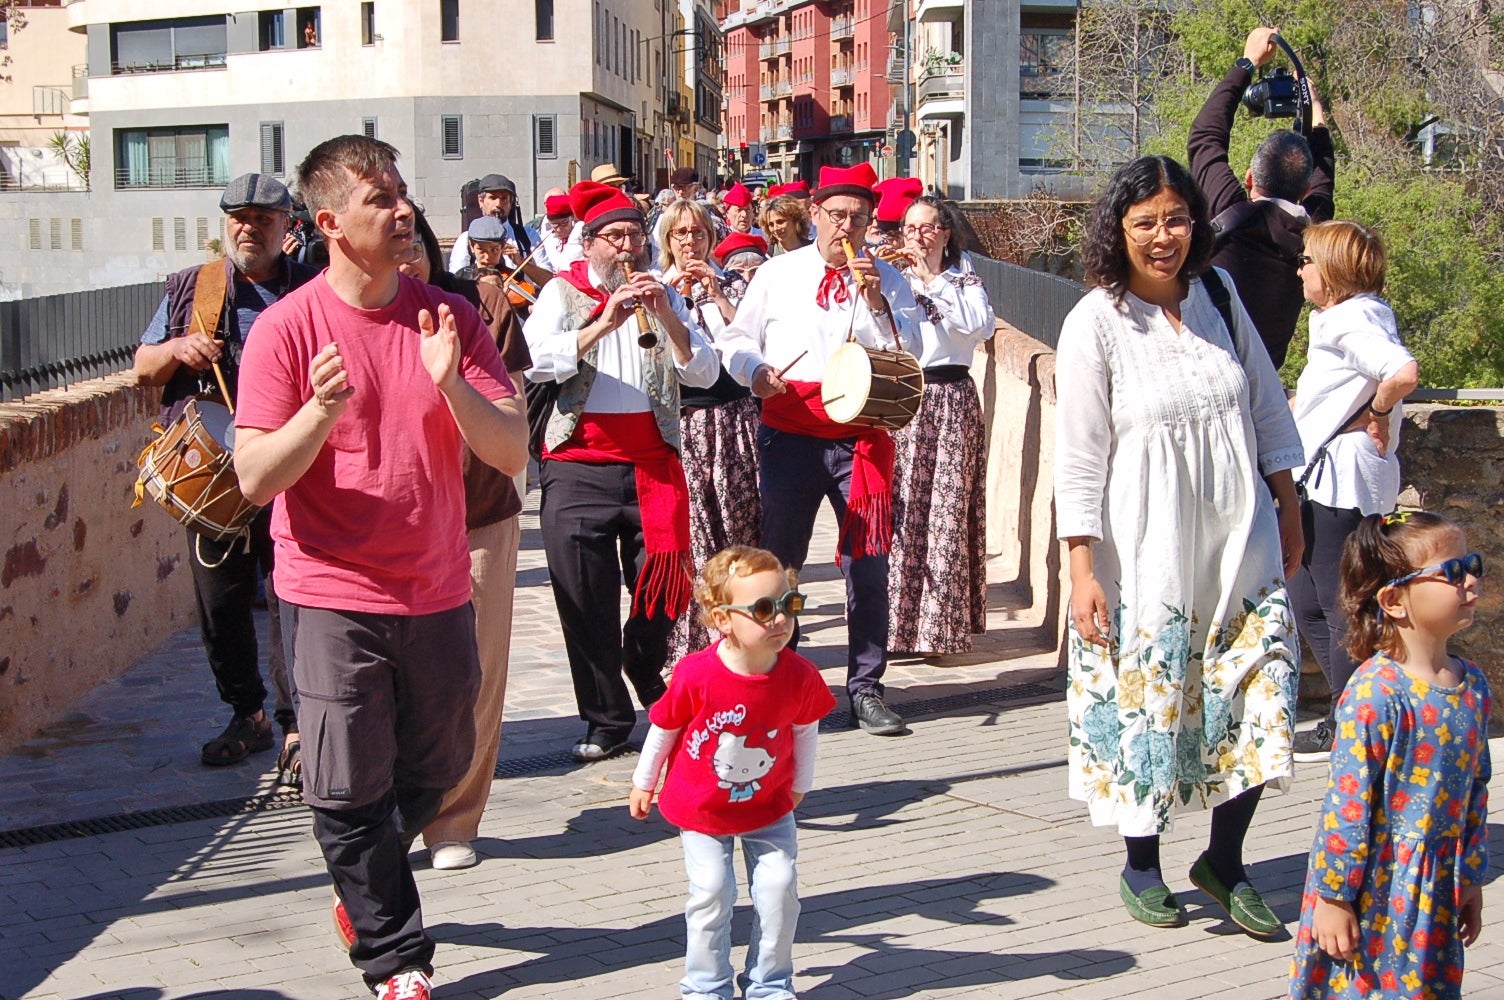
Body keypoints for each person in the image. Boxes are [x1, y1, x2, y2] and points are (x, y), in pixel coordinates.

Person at [232, 135, 529, 1000]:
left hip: (434, 584)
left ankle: (363, 888)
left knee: (440, 764)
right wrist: (318, 414)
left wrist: (453, 384)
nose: (404, 211)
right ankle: (397, 957)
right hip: (329, 591)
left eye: (402, 194)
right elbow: (255, 479)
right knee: (345, 785)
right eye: (380, 199)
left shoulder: (450, 317)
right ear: (329, 222)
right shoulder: (287, 330)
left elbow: (511, 451)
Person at [1054, 154, 1305, 936]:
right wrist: (1081, 568)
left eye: (1176, 219)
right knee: (1154, 698)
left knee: (1261, 689)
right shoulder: (1095, 321)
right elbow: (1079, 455)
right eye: (1145, 223)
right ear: (1118, 229)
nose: (1163, 237)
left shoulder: (1219, 294)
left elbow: (1266, 404)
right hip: (1148, 547)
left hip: (1241, 539)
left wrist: (1289, 502)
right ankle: (1143, 864)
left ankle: (1225, 861)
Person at [719, 162, 924, 737]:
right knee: (781, 565)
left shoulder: (888, 279)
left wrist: (877, 301)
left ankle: (866, 688)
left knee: (868, 566)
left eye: (858, 218)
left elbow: (913, 351)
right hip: (790, 433)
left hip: (861, 439)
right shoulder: (777, 274)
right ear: (814, 214)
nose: (846, 228)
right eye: (836, 215)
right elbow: (736, 338)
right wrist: (755, 372)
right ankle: (779, 680)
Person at [523, 180, 720, 762]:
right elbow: (534, 362)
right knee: (584, 600)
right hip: (577, 466)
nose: (627, 247)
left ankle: (640, 656)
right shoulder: (561, 293)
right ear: (590, 244)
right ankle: (606, 718)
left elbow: (705, 373)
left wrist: (669, 318)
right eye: (614, 237)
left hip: (652, 466)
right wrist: (602, 323)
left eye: (634, 235)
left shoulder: (665, 294)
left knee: (666, 589)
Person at [132, 172, 318, 774]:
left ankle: (297, 721)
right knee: (221, 602)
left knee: (292, 596)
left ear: (286, 226)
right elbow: (143, 367)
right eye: (239, 218)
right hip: (217, 471)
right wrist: (176, 349)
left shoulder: (312, 287)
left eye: (263, 219)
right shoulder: (195, 286)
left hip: (291, 464)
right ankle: (248, 714)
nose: (249, 228)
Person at [1288, 510, 1489, 999]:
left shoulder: (1472, 685)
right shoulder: (1377, 692)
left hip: (1435, 888)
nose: (1469, 580)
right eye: (1451, 571)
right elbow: (1347, 803)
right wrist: (1334, 897)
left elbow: (1476, 789)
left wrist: (1469, 876)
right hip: (1376, 888)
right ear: (1394, 600)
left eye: (1472, 565)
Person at [629, 546, 836, 1000]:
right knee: (712, 892)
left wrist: (801, 785)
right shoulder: (695, 674)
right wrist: (645, 780)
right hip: (702, 808)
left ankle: (769, 983)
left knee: (780, 889)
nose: (779, 619)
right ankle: (706, 986)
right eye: (763, 609)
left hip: (770, 805)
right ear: (723, 619)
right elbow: (665, 727)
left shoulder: (800, 675)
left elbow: (806, 730)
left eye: (788, 604)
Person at [402, 207, 533, 873]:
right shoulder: (333, 315)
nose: (402, 257)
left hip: (478, 513)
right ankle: (390, 815)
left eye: (411, 241)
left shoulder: (481, 306)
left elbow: (511, 410)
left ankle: (454, 820)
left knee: (475, 670)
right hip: (388, 523)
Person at [1287, 221, 1419, 764]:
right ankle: (1359, 708)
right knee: (1305, 600)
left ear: (1333, 269)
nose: (1300, 270)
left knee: (1340, 605)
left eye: (1307, 261)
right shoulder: (1348, 316)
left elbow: (1402, 372)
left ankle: (1353, 721)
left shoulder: (1351, 319)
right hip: (1330, 478)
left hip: (1342, 483)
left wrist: (1380, 410)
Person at [1189, 25, 1335, 368]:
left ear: (1250, 178)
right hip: (1264, 381)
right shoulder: (1312, 236)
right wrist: (1314, 107)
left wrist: (1247, 63)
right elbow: (1324, 177)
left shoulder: (1228, 209)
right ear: (1304, 191)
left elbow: (1205, 136)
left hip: (1209, 368)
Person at [888, 195, 996, 656]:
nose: (918, 237)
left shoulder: (962, 278)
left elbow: (980, 326)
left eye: (928, 228)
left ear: (945, 234)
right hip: (906, 396)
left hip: (951, 398)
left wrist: (933, 281)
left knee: (947, 513)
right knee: (903, 511)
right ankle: (897, 628)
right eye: (910, 229)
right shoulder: (893, 278)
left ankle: (940, 630)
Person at [657, 199, 762, 659]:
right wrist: (670, 300)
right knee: (694, 532)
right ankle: (699, 639)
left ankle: (747, 628)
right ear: (667, 240)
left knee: (742, 525)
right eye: (680, 233)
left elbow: (753, 338)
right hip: (686, 422)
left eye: (698, 233)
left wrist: (717, 293)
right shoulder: (657, 288)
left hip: (735, 417)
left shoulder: (735, 284)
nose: (690, 241)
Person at [449, 173, 552, 286]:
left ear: (511, 202)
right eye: (493, 198)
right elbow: (455, 283)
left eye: (504, 198)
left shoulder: (529, 235)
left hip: (522, 297)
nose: (498, 204)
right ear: (480, 201)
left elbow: (549, 282)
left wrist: (521, 262)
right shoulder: (465, 239)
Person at [454, 216, 508, 283]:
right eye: (481, 249)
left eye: (494, 250)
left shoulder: (513, 276)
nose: (487, 257)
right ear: (472, 246)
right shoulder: (462, 277)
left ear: (502, 246)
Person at [540, 190, 583, 271]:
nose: (559, 229)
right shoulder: (544, 239)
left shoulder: (581, 234)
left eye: (564, 223)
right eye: (554, 225)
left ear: (572, 217)